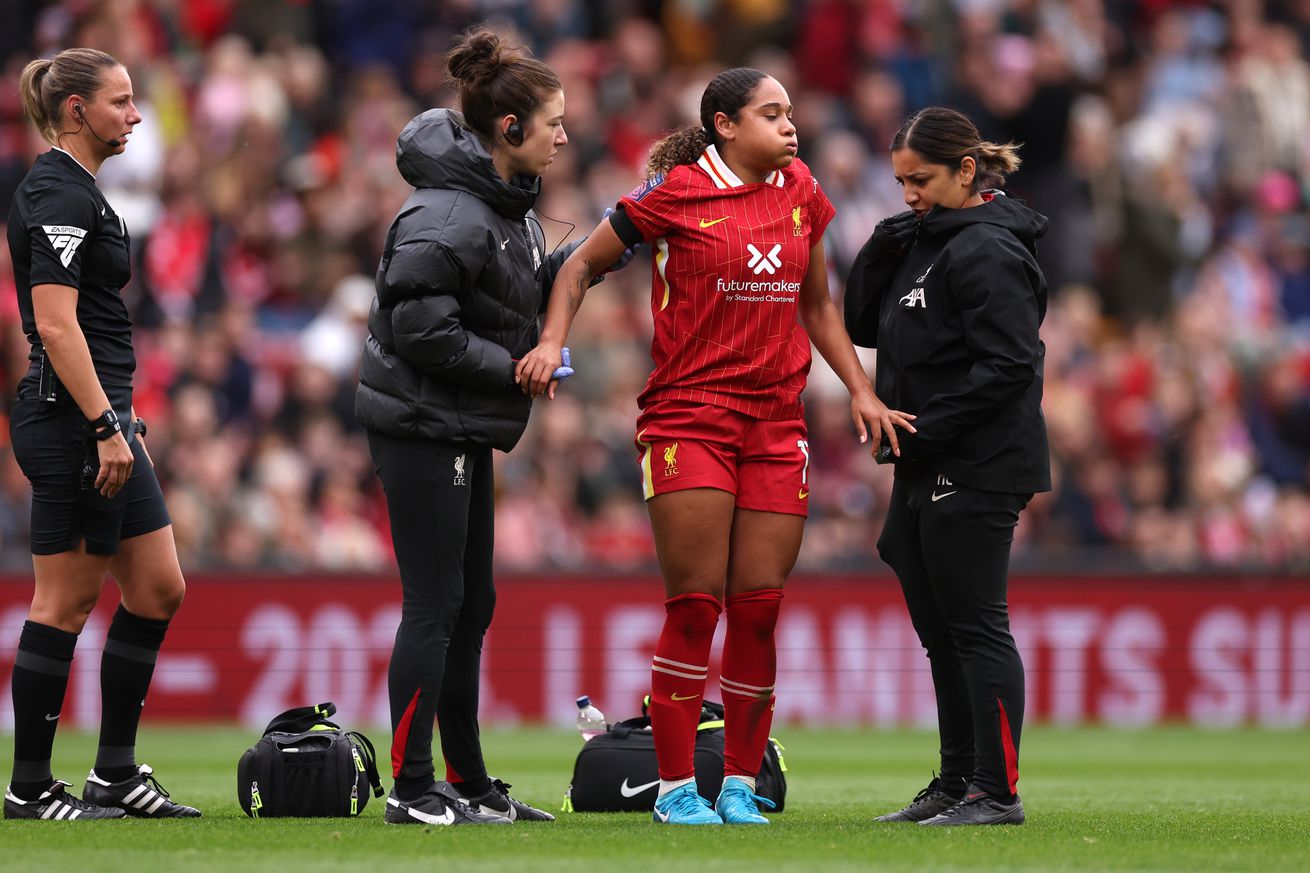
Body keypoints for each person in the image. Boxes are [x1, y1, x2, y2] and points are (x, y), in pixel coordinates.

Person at [517, 67, 912, 826]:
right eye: (773, 114)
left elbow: (819, 304)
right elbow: (580, 265)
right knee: (695, 606)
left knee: (758, 610)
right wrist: (552, 341)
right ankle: (673, 790)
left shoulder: (801, 191)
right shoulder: (673, 195)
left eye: (791, 112)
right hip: (689, 418)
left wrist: (861, 389)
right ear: (727, 125)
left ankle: (737, 781)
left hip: (775, 424)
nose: (791, 126)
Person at [355, 28, 577, 826]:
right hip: (420, 427)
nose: (564, 136)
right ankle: (412, 789)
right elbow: (418, 329)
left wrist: (585, 258)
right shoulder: (451, 210)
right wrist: (516, 368)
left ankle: (469, 781)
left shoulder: (502, 205)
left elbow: (497, 299)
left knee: (469, 601)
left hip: (451, 425)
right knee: (435, 603)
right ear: (510, 129)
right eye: (553, 122)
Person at [4, 49, 200, 820]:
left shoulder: (83, 190)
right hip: (72, 423)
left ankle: (114, 772)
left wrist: (117, 420)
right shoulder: (56, 189)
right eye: (121, 101)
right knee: (64, 603)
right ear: (77, 111)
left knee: (157, 588)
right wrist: (101, 425)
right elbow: (53, 323)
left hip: (105, 419)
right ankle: (29, 785)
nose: (136, 114)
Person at [843, 106, 1051, 826]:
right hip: (928, 456)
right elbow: (864, 326)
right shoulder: (929, 239)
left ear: (967, 170)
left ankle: (995, 791)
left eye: (921, 180)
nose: (910, 196)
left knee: (975, 624)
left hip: (977, 457)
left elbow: (1011, 365)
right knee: (941, 625)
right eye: (901, 182)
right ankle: (959, 780)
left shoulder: (987, 248)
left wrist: (927, 429)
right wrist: (879, 245)